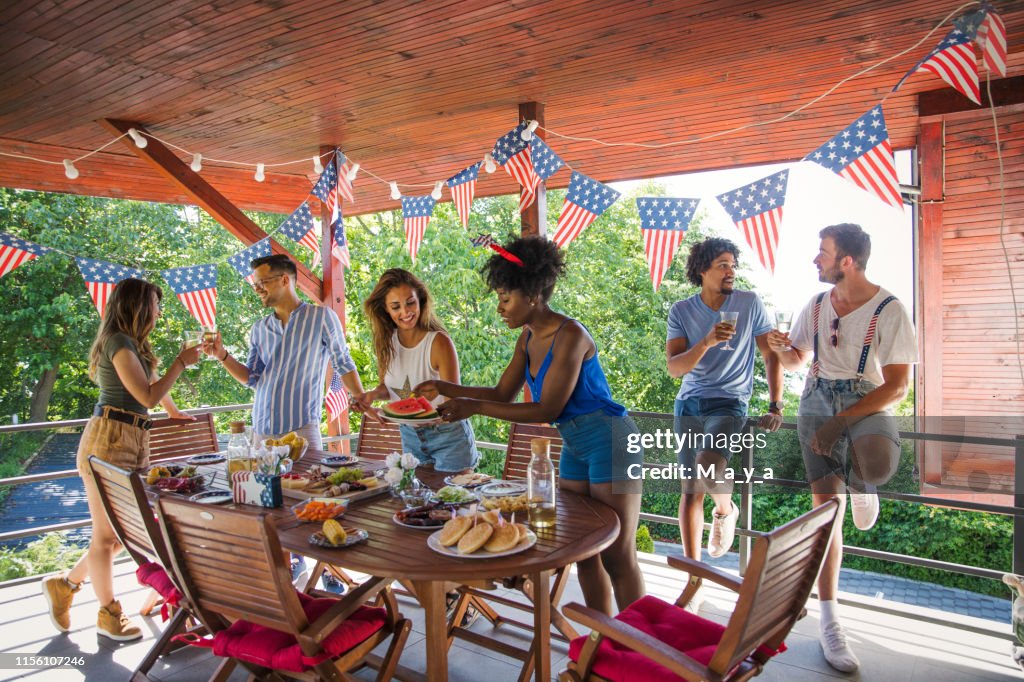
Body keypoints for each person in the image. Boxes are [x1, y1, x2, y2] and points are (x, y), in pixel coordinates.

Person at [415, 236, 645, 614]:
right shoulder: (527, 337)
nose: (500, 307)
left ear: (534, 294)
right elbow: (504, 392)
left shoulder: (571, 334)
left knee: (618, 555)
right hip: (575, 444)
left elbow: (546, 409)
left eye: (506, 298)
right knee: (586, 551)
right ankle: (604, 642)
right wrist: (445, 387)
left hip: (612, 439)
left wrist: (473, 407)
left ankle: (643, 650)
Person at [767, 223, 916, 672]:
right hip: (815, 397)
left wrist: (837, 426)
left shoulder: (889, 310)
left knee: (874, 465)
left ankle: (863, 483)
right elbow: (798, 361)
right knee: (826, 515)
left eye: (823, 253)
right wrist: (779, 349)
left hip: (865, 400)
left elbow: (897, 388)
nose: (816, 259)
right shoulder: (813, 306)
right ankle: (831, 623)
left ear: (846, 261)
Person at [41, 278, 201, 641]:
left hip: (131, 440)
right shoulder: (117, 342)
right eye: (156, 307)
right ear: (139, 307)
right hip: (109, 441)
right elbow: (145, 395)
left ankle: (64, 586)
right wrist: (180, 362)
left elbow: (153, 393)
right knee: (105, 536)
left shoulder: (135, 345)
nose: (159, 314)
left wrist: (174, 412)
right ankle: (108, 614)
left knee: (117, 535)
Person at [666, 238, 783, 613]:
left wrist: (776, 403)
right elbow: (675, 367)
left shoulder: (748, 303)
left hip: (730, 401)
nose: (731, 271)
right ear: (702, 269)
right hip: (689, 402)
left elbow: (770, 352)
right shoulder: (682, 310)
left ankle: (725, 510)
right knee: (689, 491)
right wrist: (706, 342)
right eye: (722, 265)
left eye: (733, 265)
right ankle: (694, 580)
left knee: (709, 467)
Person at [204, 254, 375, 449]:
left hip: (301, 430)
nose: (257, 289)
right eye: (255, 284)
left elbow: (343, 362)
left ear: (284, 280)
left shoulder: (321, 317)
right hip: (262, 431)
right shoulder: (259, 328)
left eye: (262, 282)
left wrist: (363, 400)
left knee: (311, 480)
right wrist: (222, 355)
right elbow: (251, 378)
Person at [362, 268, 478, 472]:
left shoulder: (439, 342)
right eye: (396, 306)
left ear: (420, 300)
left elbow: (454, 396)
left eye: (410, 303)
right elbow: (387, 386)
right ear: (385, 309)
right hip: (410, 436)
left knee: (454, 499)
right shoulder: (385, 343)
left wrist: (427, 415)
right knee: (418, 501)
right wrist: (371, 395)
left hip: (448, 436)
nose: (405, 312)